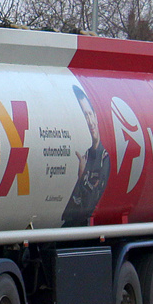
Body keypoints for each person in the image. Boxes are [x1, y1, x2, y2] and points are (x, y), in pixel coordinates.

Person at [61, 84, 110, 227]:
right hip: (68, 222)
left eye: (89, 114)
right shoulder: (86, 154)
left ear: (95, 116)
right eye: (84, 116)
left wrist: (82, 174)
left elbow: (90, 202)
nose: (89, 121)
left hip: (78, 225)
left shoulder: (103, 159)